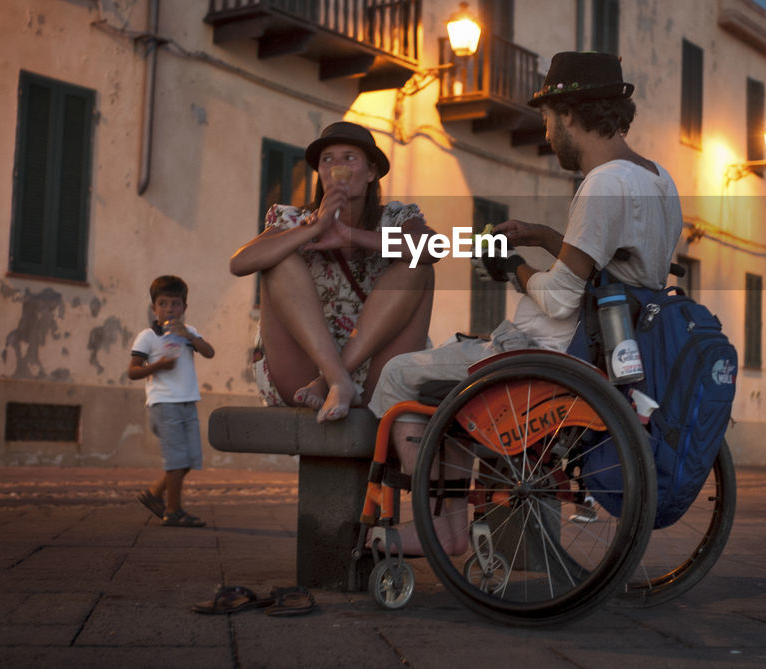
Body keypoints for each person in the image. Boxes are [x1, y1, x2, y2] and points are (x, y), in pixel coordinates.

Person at [368, 50, 684, 552]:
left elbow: (560, 299)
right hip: (605, 350)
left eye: (547, 119)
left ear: (570, 116)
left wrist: (509, 267)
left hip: (547, 354)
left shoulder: (603, 185)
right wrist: (539, 235)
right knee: (442, 378)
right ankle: (452, 506)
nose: (545, 133)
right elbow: (613, 271)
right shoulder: (656, 180)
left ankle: (447, 526)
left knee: (397, 377)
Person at [230, 122, 436, 422]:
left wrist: (351, 236)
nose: (336, 166)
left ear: (371, 173)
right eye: (327, 160)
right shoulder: (293, 219)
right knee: (279, 260)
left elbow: (433, 248)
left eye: (349, 157)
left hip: (376, 367)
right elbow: (240, 263)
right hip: (305, 368)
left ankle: (336, 379)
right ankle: (337, 378)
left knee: (416, 263)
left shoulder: (396, 217)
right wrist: (315, 227)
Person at [129, 275, 216, 527]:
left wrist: (189, 335)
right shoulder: (148, 336)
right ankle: (173, 511)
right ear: (154, 307)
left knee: (189, 459)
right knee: (177, 461)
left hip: (188, 402)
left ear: (184, 307)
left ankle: (154, 495)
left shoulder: (189, 333)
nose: (169, 309)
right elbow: (133, 371)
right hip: (164, 404)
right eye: (163, 303)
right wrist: (158, 366)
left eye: (175, 303)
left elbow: (209, 352)